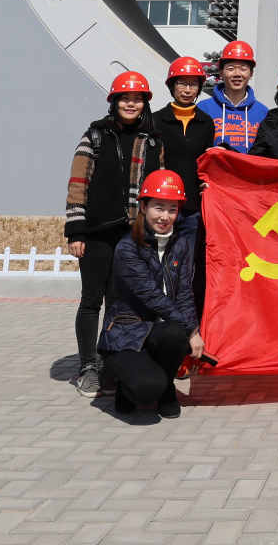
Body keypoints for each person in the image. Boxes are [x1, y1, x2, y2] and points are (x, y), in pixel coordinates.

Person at [63, 70, 167, 398]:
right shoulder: (94, 137)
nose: (131, 104)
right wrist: (76, 232)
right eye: (125, 98)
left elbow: (157, 192)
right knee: (92, 300)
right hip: (97, 233)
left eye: (137, 99)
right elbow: (78, 185)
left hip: (134, 235)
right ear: (114, 102)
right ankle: (87, 367)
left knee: (119, 302)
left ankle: (110, 362)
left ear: (145, 104)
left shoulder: (153, 142)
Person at [99, 169, 202, 419]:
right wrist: (192, 330)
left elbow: (185, 293)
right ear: (143, 207)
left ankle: (166, 386)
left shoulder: (180, 244)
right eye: (159, 207)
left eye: (172, 209)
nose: (165, 216)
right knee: (145, 389)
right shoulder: (127, 248)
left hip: (159, 333)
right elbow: (152, 296)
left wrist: (193, 332)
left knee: (175, 333)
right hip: (126, 334)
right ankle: (129, 382)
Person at [150, 56, 217, 311]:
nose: (188, 90)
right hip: (161, 206)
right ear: (171, 86)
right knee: (156, 264)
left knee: (186, 268)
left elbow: (206, 163)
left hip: (192, 209)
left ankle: (186, 319)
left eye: (193, 84)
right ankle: (157, 317)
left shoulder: (205, 122)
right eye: (182, 83)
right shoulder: (156, 120)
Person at [198, 39, 269, 154]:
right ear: (221, 73)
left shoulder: (263, 112)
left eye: (243, 69)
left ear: (251, 74)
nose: (237, 74)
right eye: (230, 69)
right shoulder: (203, 108)